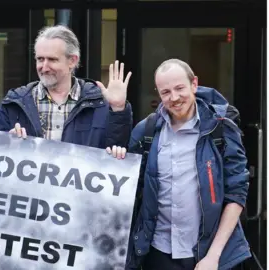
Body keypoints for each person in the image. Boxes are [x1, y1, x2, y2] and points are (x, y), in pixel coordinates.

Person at [108, 59, 251, 270]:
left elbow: (236, 193)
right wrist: (118, 159)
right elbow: (129, 189)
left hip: (211, 255)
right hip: (159, 253)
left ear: (194, 84)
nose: (174, 98)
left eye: (179, 88)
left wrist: (214, 256)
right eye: (165, 92)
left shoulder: (220, 129)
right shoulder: (145, 132)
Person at [0, 25, 132, 152]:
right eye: (40, 59)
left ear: (72, 61)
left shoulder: (99, 104)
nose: (44, 67)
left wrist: (118, 109)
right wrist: (7, 143)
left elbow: (117, 155)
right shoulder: (13, 104)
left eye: (52, 60)